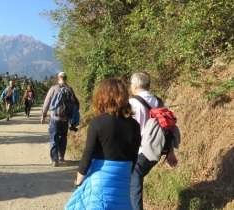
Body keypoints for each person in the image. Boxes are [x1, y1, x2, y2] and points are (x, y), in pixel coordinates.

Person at [65, 78, 141, 210]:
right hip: (123, 180)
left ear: (102, 97)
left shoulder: (97, 123)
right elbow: (134, 157)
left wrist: (79, 180)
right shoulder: (134, 125)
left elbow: (88, 154)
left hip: (101, 180)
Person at [129, 72, 178, 210]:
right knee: (132, 185)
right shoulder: (159, 102)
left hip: (138, 153)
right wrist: (170, 152)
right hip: (155, 153)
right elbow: (168, 128)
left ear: (135, 86)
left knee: (134, 190)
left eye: (131, 84)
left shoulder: (131, 103)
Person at [41, 72, 78, 167]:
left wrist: (43, 115)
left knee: (54, 138)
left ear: (58, 79)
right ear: (66, 79)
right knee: (63, 137)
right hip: (65, 119)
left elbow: (46, 103)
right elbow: (76, 104)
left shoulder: (53, 89)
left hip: (55, 118)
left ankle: (55, 160)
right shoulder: (70, 89)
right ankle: (61, 155)